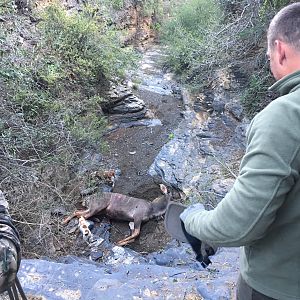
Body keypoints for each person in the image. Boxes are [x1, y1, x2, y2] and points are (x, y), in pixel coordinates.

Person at [167, 3, 300, 300]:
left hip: (277, 287)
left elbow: (240, 226)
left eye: (268, 58)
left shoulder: (285, 115)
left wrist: (192, 219)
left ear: (279, 51)